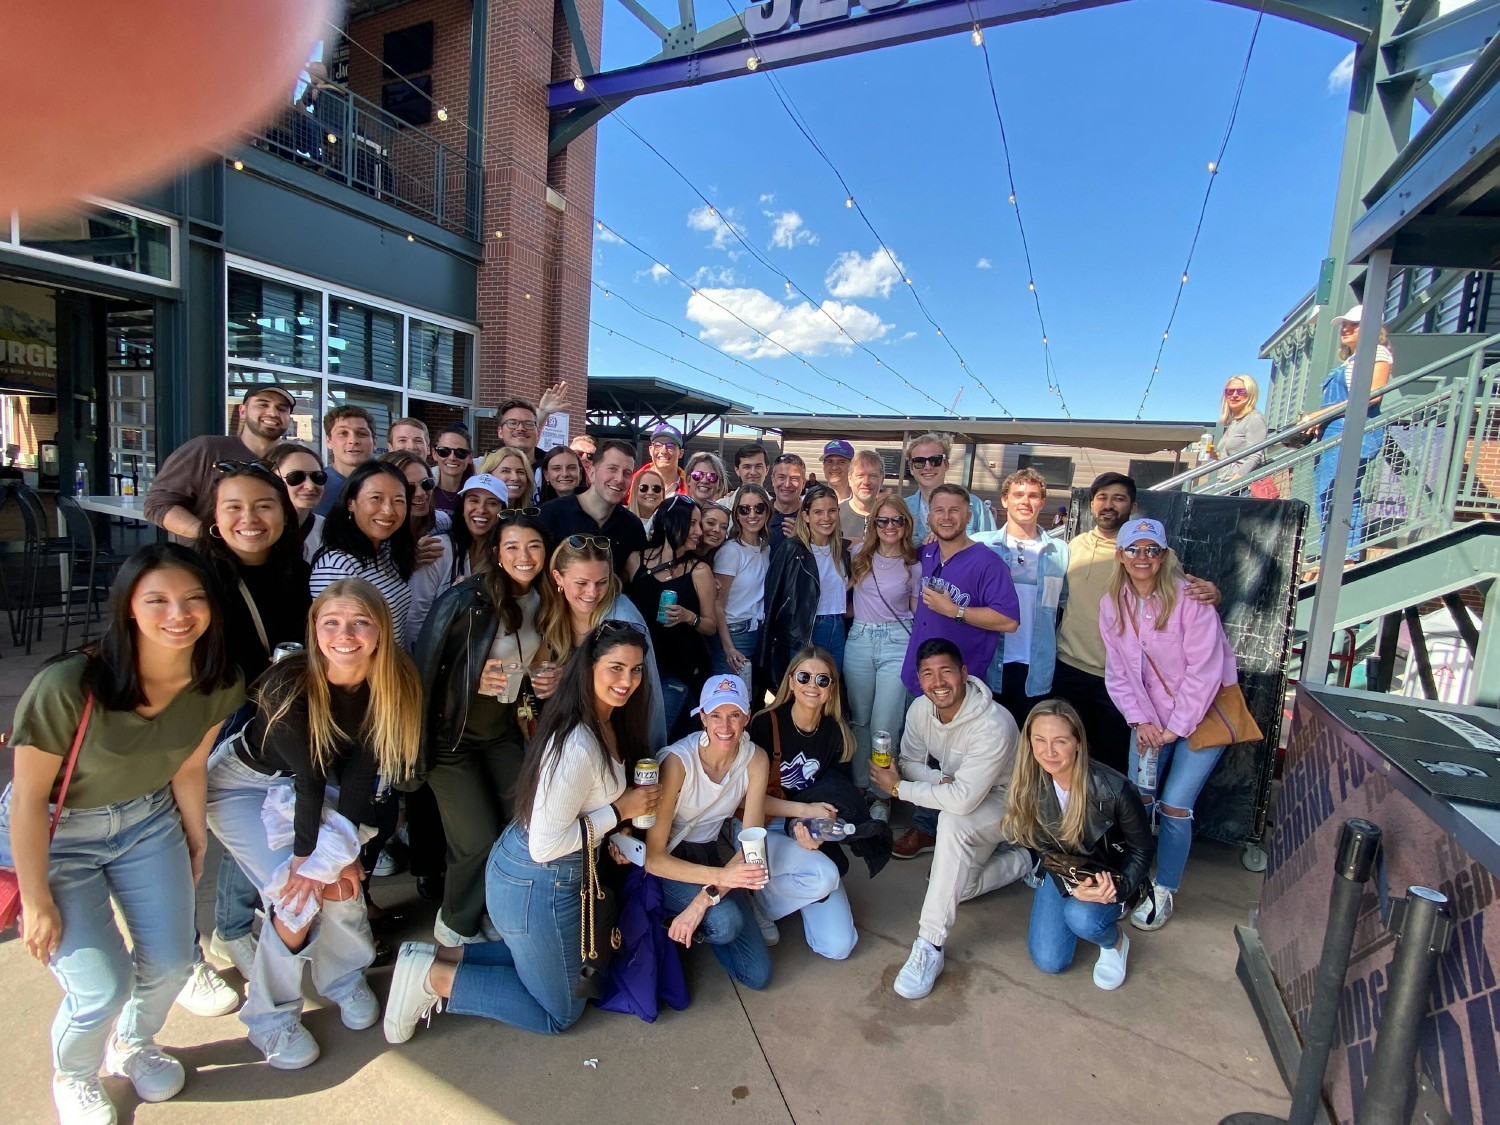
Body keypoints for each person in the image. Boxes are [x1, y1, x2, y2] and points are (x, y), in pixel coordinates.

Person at [2, 545, 244, 1121]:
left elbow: (187, 766)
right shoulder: (70, 684)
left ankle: (133, 1043)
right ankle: (76, 1072)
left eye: (193, 599)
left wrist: (196, 840)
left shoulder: (218, 680)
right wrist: (35, 901)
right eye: (156, 599)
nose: (178, 613)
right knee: (100, 987)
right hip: (60, 834)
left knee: (172, 963)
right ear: (128, 608)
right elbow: (30, 800)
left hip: (148, 820)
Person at [384, 621, 659, 1042]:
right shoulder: (577, 743)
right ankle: (434, 979)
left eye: (636, 670)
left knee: (561, 969)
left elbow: (578, 812)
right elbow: (546, 844)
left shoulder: (607, 721)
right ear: (588, 668)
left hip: (546, 874)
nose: (627, 681)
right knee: (561, 1011)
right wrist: (620, 811)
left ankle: (438, 955)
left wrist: (614, 834)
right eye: (615, 668)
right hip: (537, 881)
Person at [205, 579, 421, 1067]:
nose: (345, 634)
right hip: (244, 784)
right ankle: (269, 1019)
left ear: (381, 631)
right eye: (332, 623)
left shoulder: (392, 679)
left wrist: (336, 858)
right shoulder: (289, 681)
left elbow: (364, 773)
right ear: (314, 629)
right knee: (295, 898)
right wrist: (310, 860)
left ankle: (342, 978)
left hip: (315, 790)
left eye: (360, 622)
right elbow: (308, 777)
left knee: (342, 883)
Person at [411, 508, 558, 945]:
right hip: (450, 738)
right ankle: (454, 925)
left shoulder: (546, 599)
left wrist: (549, 677)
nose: (524, 556)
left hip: (501, 732)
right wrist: (471, 679)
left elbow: (539, 663)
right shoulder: (465, 600)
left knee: (525, 823)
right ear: (496, 553)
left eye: (534, 545)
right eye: (512, 546)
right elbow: (425, 672)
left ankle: (494, 908)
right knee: (475, 840)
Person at [193, 462, 313, 986]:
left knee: (263, 822)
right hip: (221, 716)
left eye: (264, 506)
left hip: (276, 707)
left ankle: (240, 921)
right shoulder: (199, 576)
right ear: (214, 520)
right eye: (234, 508)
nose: (250, 519)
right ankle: (228, 929)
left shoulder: (291, 565)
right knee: (225, 827)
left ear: (284, 515)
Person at [1098, 518, 1238, 932]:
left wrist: (1174, 728)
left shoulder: (1190, 598)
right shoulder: (1113, 603)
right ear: (1120, 554)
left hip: (1200, 717)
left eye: (1151, 550)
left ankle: (1165, 886)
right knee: (1139, 800)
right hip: (1149, 721)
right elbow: (1119, 671)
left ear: (1163, 555)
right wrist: (1139, 720)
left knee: (1176, 805)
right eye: (1134, 550)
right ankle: (1135, 875)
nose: (1143, 558)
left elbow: (1205, 671)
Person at [869, 638, 1028, 1000]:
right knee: (955, 885)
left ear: (964, 674)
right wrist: (937, 781)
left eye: (946, 672)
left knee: (952, 824)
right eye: (927, 674)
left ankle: (929, 945)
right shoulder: (921, 710)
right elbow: (908, 762)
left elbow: (960, 801)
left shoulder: (992, 724)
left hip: (1010, 803)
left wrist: (899, 790)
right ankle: (1025, 859)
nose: (937, 682)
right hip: (967, 796)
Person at [1051, 473, 1220, 775]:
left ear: (1133, 505)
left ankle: (1112, 821)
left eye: (1119, 498)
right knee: (1067, 758)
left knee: (1114, 766)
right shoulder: (1073, 547)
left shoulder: (1156, 555)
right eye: (1102, 497)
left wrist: (1213, 594)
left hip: (1124, 683)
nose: (1109, 505)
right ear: (1092, 505)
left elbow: (1184, 596)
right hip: (1071, 669)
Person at [894, 484, 1018, 860]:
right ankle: (929, 823)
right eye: (939, 510)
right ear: (928, 518)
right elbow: (883, 545)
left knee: (951, 761)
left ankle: (933, 829)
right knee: (923, 754)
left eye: (954, 511)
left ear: (968, 516)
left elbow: (1009, 619)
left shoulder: (987, 562)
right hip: (921, 674)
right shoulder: (926, 552)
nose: (947, 517)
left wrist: (957, 612)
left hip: (959, 681)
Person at [999, 699, 1153, 990]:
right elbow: (1043, 848)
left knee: (1081, 917)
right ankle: (1076, 904)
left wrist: (1118, 888)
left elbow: (1141, 849)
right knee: (1049, 961)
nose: (1049, 752)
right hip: (1064, 870)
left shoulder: (1116, 790)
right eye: (1039, 740)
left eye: (1060, 741)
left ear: (1078, 743)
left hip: (1112, 874)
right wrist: (1073, 886)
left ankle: (1115, 943)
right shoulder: (1029, 783)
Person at [645, 676, 774, 990]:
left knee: (757, 975)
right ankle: (669, 924)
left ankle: (694, 919)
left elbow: (751, 847)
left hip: (709, 853)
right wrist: (722, 881)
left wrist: (702, 901)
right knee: (727, 922)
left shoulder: (755, 759)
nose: (725, 726)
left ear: (746, 717)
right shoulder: (678, 762)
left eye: (734, 715)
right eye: (715, 715)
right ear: (702, 716)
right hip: (672, 859)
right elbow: (653, 859)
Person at [746, 652, 863, 958]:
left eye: (823, 679)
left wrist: (820, 829)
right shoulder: (765, 724)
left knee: (838, 946)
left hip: (807, 827)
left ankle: (773, 892)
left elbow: (840, 798)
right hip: (760, 824)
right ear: (791, 682)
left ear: (831, 689)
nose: (813, 685)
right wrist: (803, 813)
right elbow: (747, 801)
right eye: (804, 677)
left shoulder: (837, 734)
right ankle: (761, 901)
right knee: (823, 877)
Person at [537, 535, 668, 748]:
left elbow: (641, 692)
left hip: (617, 738)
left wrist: (569, 680)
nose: (592, 592)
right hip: (570, 736)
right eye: (582, 583)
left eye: (601, 582)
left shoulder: (623, 620)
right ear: (558, 578)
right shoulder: (554, 613)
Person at [973, 468, 1070, 727]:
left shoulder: (1060, 551)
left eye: (1033, 495)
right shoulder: (979, 545)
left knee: (1029, 744)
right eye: (1018, 494)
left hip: (1036, 669)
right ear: (1005, 500)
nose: (1025, 502)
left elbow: (1064, 603)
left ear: (1042, 502)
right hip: (990, 663)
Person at [845, 495, 919, 822]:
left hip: (897, 642)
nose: (889, 527)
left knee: (885, 723)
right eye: (882, 521)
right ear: (873, 524)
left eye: (896, 520)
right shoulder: (858, 554)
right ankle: (860, 785)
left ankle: (882, 793)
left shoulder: (915, 564)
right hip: (859, 639)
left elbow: (918, 613)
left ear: (906, 524)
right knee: (859, 719)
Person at [1305, 304, 1394, 571]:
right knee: (1327, 492)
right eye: (1344, 324)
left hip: (1353, 431)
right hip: (1334, 432)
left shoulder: (1377, 353)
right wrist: (1319, 421)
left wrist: (1318, 415)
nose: (1345, 328)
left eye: (1353, 324)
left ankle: (1344, 557)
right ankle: (1330, 554)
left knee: (1340, 493)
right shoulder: (1351, 360)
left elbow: (1372, 395)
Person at [145, 383, 295, 539]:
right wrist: (213, 537)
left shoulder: (294, 460)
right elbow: (158, 505)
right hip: (207, 560)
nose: (272, 413)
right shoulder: (206, 449)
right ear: (242, 412)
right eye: (263, 404)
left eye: (282, 409)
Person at [625, 494, 717, 736]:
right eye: (693, 523)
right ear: (671, 522)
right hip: (639, 666)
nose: (699, 531)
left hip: (677, 670)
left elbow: (710, 626)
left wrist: (689, 617)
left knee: (656, 736)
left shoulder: (699, 570)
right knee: (635, 732)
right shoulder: (636, 560)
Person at [310, 460, 416, 648]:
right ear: (351, 503)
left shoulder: (386, 553)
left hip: (392, 671)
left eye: (398, 501)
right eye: (376, 498)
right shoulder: (337, 565)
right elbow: (334, 642)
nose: (388, 510)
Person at [406, 472, 514, 644]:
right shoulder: (439, 549)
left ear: (503, 512)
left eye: (492, 503)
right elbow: (415, 619)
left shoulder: (508, 556)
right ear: (462, 507)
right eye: (473, 500)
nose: (481, 509)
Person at [760, 483, 850, 686]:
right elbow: (776, 599)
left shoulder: (842, 552)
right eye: (818, 512)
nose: (826, 518)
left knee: (830, 692)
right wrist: (799, 638)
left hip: (837, 629)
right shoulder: (792, 549)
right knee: (805, 693)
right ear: (806, 516)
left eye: (832, 511)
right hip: (806, 629)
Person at [538, 438, 646, 580]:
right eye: (612, 469)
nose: (619, 479)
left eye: (627, 473)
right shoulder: (549, 515)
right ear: (592, 473)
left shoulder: (632, 527)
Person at [712, 484, 771, 683]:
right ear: (736, 514)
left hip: (759, 632)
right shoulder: (731, 551)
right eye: (744, 509)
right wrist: (728, 648)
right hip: (735, 633)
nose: (752, 515)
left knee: (749, 701)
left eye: (759, 508)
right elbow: (717, 604)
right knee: (731, 699)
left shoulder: (766, 549)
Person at [904, 433, 995, 542]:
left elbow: (991, 550)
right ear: (911, 469)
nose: (928, 467)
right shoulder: (902, 509)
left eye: (935, 460)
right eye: (919, 462)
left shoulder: (975, 506)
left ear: (946, 464)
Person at [314, 405, 377, 518]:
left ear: (375, 442)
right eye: (343, 433)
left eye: (361, 434)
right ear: (328, 441)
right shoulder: (315, 484)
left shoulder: (388, 484)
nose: (353, 441)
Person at [269, 442, 328, 562]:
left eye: (317, 477)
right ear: (270, 479)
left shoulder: (328, 531)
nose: (310, 486)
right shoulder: (254, 528)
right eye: (295, 477)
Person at [1211, 374, 1268, 484]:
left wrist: (1233, 482)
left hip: (1241, 486)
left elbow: (1255, 456)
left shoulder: (1254, 419)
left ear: (1251, 394)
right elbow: (1229, 458)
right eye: (1230, 392)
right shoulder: (1234, 422)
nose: (1234, 395)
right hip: (1224, 481)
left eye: (1241, 391)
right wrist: (1212, 454)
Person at [630, 423, 687, 499]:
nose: (663, 451)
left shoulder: (690, 488)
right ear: (650, 450)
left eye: (670, 446)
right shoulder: (632, 483)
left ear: (681, 453)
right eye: (657, 445)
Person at [840, 449, 884, 541]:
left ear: (882, 480)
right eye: (860, 476)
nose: (866, 482)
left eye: (873, 476)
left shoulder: (890, 518)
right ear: (850, 478)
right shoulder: (834, 516)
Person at [768, 452, 806, 554]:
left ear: (804, 483)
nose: (787, 484)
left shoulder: (812, 517)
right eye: (781, 477)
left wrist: (804, 539)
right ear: (773, 480)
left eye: (794, 478)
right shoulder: (760, 514)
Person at [432, 426, 475, 515]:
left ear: (470, 457)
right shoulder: (423, 492)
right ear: (434, 453)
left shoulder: (477, 494)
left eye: (460, 453)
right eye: (443, 451)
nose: (452, 458)